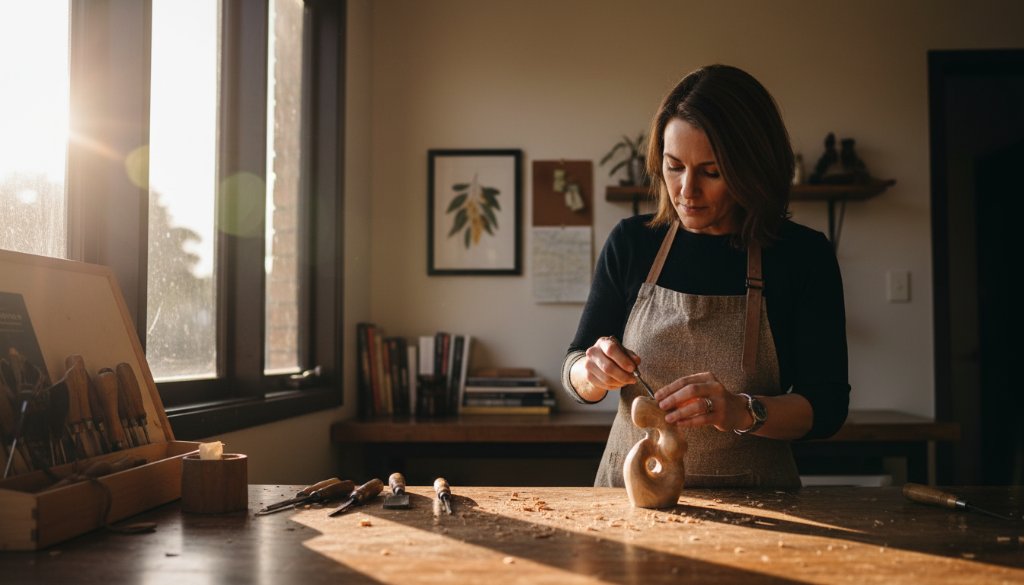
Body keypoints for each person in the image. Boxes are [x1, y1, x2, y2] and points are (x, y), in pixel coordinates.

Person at [561, 64, 849, 489]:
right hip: (628, 501)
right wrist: (591, 370)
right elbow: (573, 370)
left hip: (759, 503)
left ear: (752, 169)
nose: (687, 191)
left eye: (711, 172)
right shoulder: (632, 243)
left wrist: (741, 411)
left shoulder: (802, 256)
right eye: (674, 167)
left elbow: (825, 409)